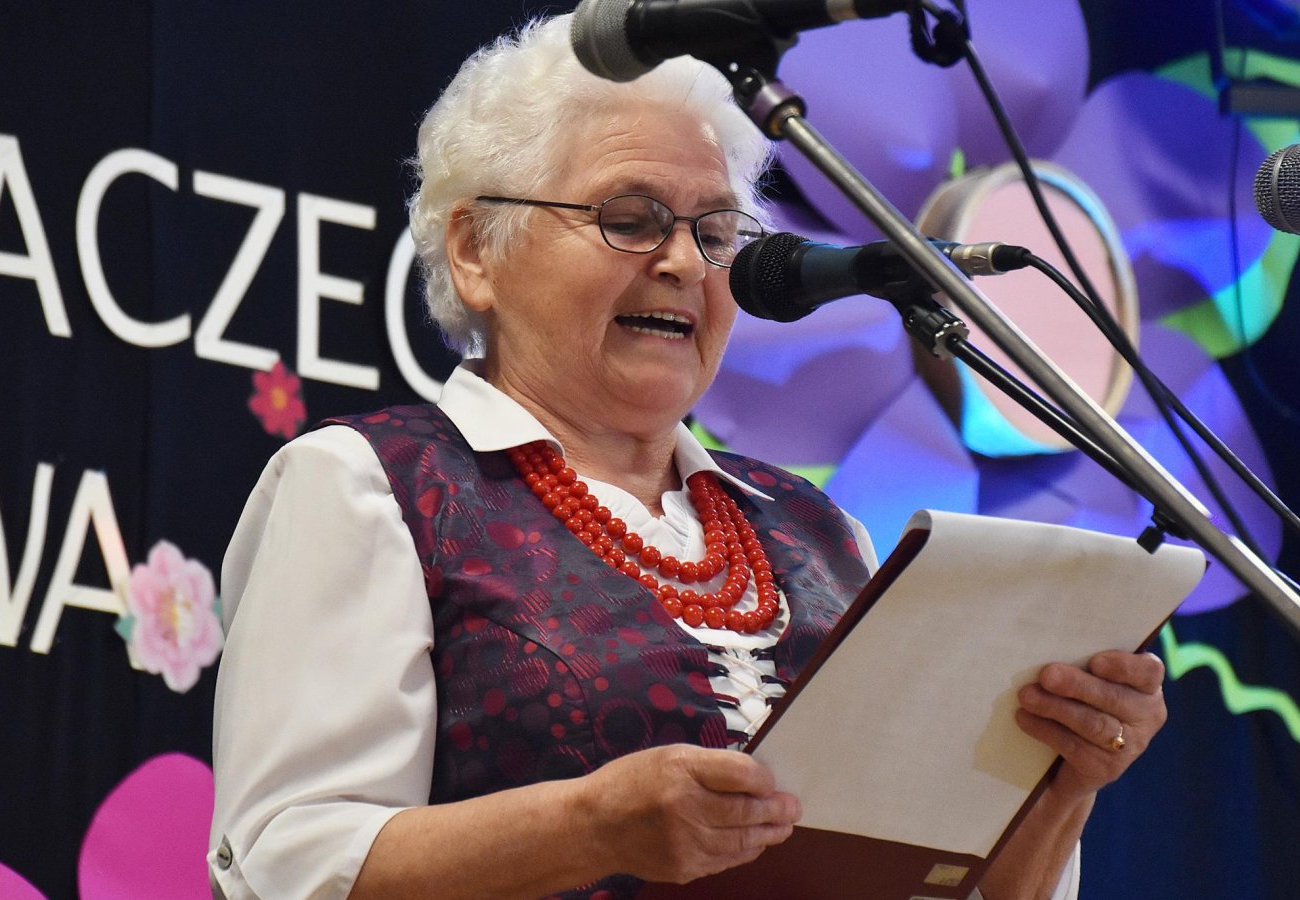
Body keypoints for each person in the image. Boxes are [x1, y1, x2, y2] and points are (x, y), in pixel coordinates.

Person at [208, 13, 1168, 900]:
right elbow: (287, 861)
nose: (681, 263)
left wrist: (1060, 786)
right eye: (629, 219)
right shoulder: (373, 486)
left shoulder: (821, 531)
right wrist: (589, 828)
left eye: (714, 232)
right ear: (476, 251)